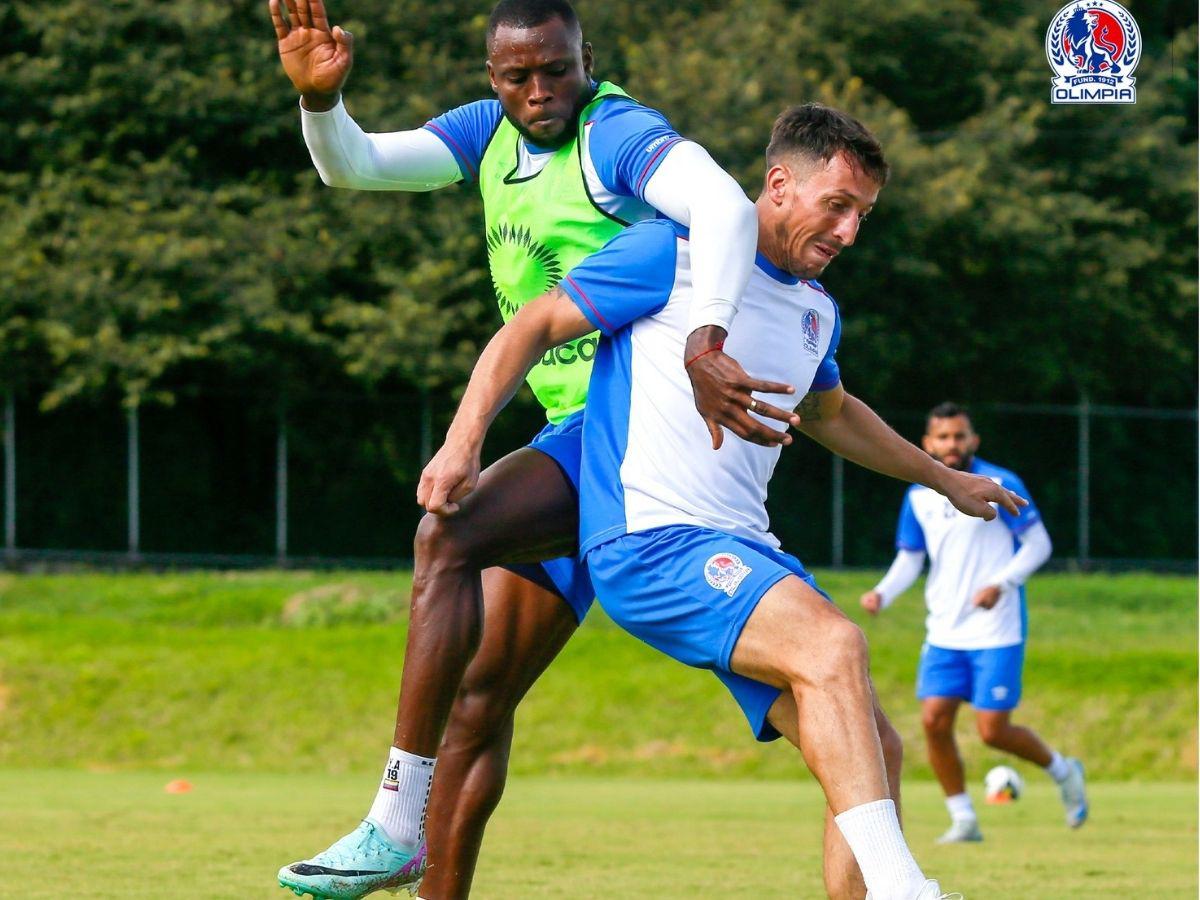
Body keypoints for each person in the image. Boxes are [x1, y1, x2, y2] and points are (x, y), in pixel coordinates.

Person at [418, 103, 1026, 900]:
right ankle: (907, 887)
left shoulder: (817, 311)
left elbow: (833, 415)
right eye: (836, 206)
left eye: (862, 216)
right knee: (836, 645)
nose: (848, 233)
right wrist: (463, 442)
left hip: (744, 551)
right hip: (653, 541)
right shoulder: (671, 251)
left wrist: (945, 479)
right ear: (778, 185)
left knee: (873, 751)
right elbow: (533, 323)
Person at [269, 1, 796, 896]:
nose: (541, 91)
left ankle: (394, 819)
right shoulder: (489, 136)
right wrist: (323, 105)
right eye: (518, 77)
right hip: (575, 439)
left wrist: (707, 339)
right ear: (491, 76)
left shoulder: (615, 134)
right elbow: (354, 169)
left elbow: (723, 208)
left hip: (633, 428)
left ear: (585, 55)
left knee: (448, 534)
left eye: (557, 69)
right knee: (477, 700)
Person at [859, 403, 1087, 843]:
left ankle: (1062, 771)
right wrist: (883, 592)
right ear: (927, 443)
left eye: (959, 436)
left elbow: (1038, 544)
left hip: (996, 627)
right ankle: (963, 818)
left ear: (973, 440)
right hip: (944, 628)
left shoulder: (1000, 483)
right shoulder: (919, 495)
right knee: (933, 721)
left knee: (992, 731)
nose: (951, 444)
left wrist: (1002, 583)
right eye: (942, 437)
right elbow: (911, 558)